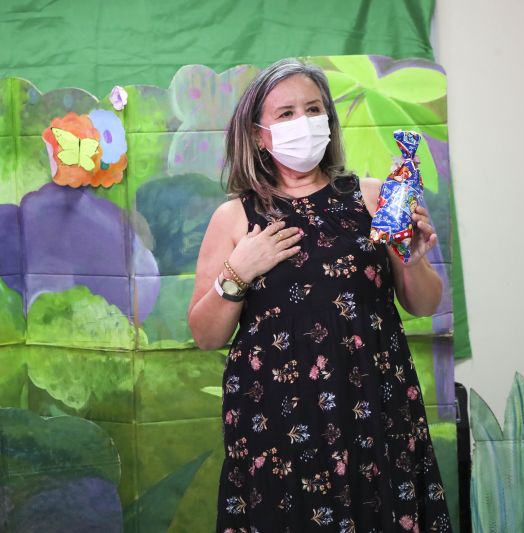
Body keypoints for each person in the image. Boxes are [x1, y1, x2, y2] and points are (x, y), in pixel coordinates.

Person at [187, 58, 452, 532]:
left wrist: (412, 258)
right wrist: (237, 271)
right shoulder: (233, 218)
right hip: (279, 421)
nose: (303, 122)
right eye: (285, 113)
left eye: (313, 109)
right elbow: (206, 336)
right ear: (257, 133)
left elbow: (424, 304)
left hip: (373, 406)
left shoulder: (374, 198)